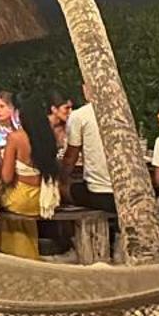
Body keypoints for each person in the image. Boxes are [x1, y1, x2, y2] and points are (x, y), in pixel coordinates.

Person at [0, 89, 46, 259]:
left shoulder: (16, 136)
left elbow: (6, 177)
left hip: (22, 197)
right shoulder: (43, 134)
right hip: (41, 195)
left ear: (15, 111)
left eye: (2, 106)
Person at [60, 82, 117, 216]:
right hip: (126, 194)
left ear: (87, 88)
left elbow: (70, 158)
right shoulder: (121, 111)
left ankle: (63, 236)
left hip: (99, 194)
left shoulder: (80, 115)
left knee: (58, 189)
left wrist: (61, 177)